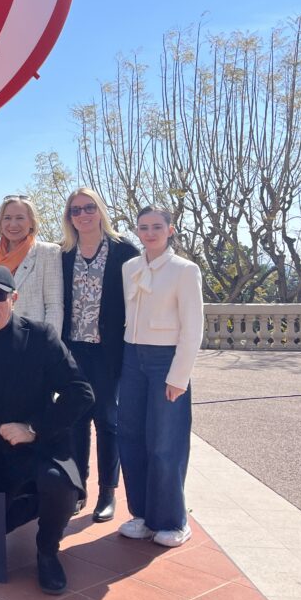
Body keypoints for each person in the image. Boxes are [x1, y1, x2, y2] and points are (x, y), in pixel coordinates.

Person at [0, 265, 94, 595]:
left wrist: (33, 429)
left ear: (14, 298)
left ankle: (47, 551)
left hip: (39, 450)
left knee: (60, 486)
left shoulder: (41, 338)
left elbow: (81, 392)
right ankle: (29, 507)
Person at [118, 206, 204, 548]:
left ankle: (173, 520)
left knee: (165, 442)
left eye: (156, 226)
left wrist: (178, 376)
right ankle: (142, 514)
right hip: (131, 357)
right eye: (143, 227)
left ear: (170, 230)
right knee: (131, 437)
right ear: (137, 231)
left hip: (165, 360)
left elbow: (193, 328)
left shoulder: (185, 270)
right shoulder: (130, 267)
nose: (150, 232)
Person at [60, 187, 139, 522]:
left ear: (100, 210)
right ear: (70, 217)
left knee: (107, 420)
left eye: (89, 208)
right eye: (76, 210)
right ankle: (79, 489)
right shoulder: (64, 253)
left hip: (108, 350)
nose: (83, 215)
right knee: (76, 419)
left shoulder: (124, 251)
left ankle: (107, 493)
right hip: (72, 348)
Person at [0, 195, 63, 334]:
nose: (13, 224)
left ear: (32, 223)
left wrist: (49, 348)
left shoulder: (48, 252)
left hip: (34, 342)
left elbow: (54, 307)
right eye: (7, 218)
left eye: (20, 218)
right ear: (0, 223)